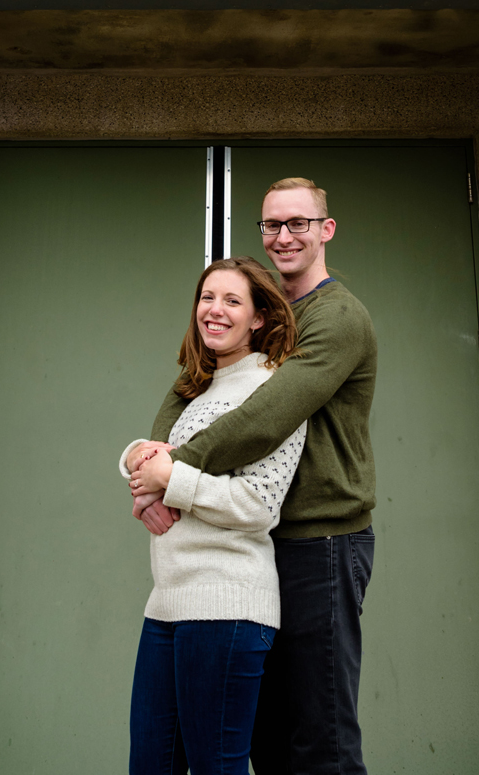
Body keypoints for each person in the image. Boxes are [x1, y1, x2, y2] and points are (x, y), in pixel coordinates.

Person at [128, 177, 380, 775]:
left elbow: (264, 419)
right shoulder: (256, 317)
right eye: (272, 224)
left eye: (298, 223)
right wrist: (144, 471)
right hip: (262, 544)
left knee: (320, 735)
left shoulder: (336, 317)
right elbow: (182, 396)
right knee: (263, 738)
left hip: (323, 540)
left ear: (326, 229)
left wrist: (171, 473)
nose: (284, 236)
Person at [121, 256, 306, 775]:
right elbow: (156, 452)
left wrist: (170, 483)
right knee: (149, 766)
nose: (215, 310)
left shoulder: (272, 390)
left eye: (232, 301)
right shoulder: (194, 385)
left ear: (259, 318)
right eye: (207, 297)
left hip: (227, 604)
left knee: (214, 769)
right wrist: (136, 463)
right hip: (166, 603)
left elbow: (259, 504)